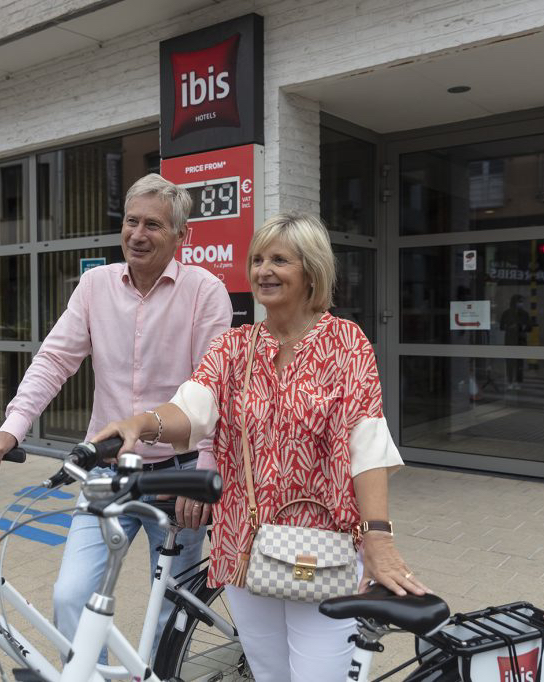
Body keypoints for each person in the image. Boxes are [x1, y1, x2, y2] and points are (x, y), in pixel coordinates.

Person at [95, 211, 428, 682]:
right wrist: (141, 423)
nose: (262, 271)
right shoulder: (235, 347)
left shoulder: (345, 344)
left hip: (322, 549)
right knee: (269, 675)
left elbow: (367, 444)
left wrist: (377, 538)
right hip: (244, 548)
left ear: (311, 270)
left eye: (279, 260)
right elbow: (191, 409)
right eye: (256, 260)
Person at [0, 173, 233, 659]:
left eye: (153, 225)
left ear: (182, 236)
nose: (138, 234)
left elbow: (215, 387)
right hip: (107, 470)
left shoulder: (205, 291)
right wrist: (10, 431)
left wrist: (206, 466)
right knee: (70, 596)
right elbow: (54, 361)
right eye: (131, 221)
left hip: (180, 475)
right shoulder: (94, 286)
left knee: (171, 612)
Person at [499, 294, 531, 389]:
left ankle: (518, 381)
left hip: (521, 340)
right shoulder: (506, 313)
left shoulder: (525, 314)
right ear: (514, 302)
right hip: (510, 340)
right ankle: (509, 381)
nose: (521, 304)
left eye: (522, 302)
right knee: (509, 362)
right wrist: (510, 327)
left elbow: (530, 327)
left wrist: (522, 327)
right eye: (519, 301)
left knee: (520, 362)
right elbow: (501, 327)